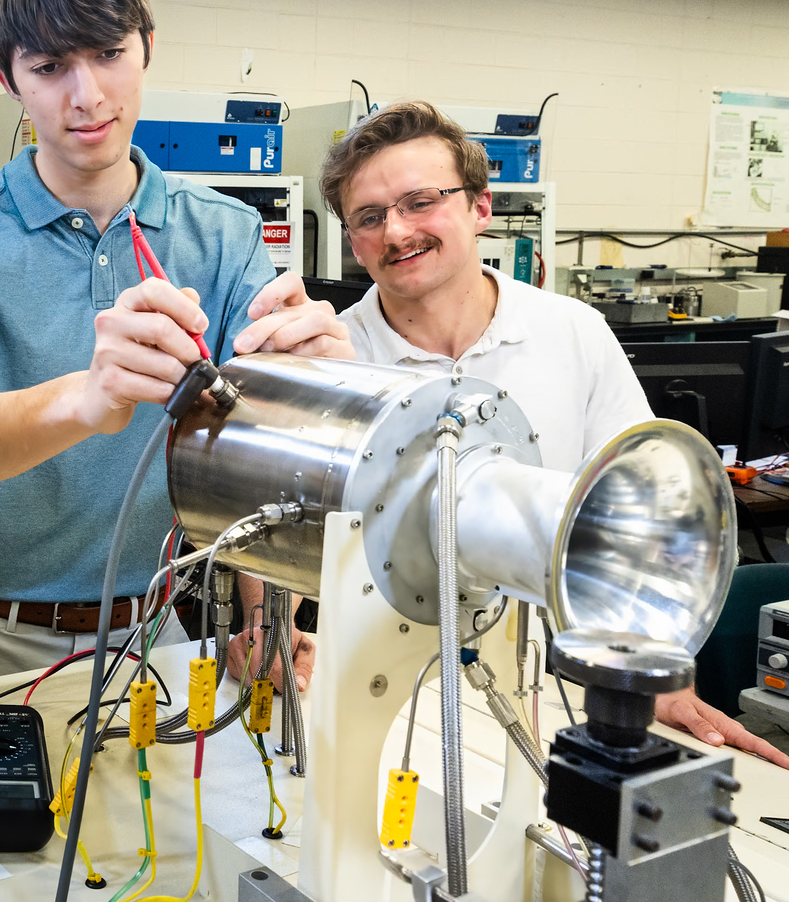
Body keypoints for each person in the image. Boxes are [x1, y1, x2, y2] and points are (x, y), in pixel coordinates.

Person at [0, 0, 349, 691]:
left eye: (109, 54)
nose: (89, 96)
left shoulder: (222, 231)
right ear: (7, 79)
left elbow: (253, 442)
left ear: (145, 45)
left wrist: (267, 615)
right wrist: (90, 395)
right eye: (49, 67)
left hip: (154, 630)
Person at [316, 99, 789, 769]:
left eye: (420, 201)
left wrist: (650, 674)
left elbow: (640, 522)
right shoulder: (335, 361)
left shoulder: (571, 332)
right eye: (368, 216)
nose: (396, 230)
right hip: (382, 696)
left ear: (480, 207)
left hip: (556, 692)